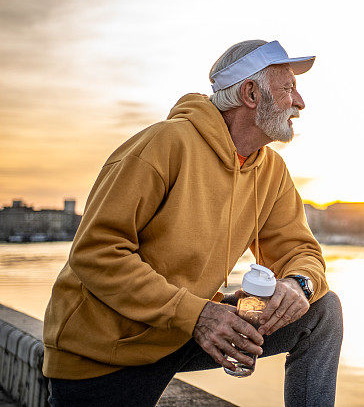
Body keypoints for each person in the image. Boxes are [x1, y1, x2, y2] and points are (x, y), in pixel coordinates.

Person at [42, 40, 343, 407]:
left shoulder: (270, 171)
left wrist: (298, 285)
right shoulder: (164, 144)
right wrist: (197, 314)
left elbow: (299, 249)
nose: (299, 102)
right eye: (288, 88)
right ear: (251, 93)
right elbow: (96, 253)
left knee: (322, 311)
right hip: (108, 350)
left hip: (183, 329)